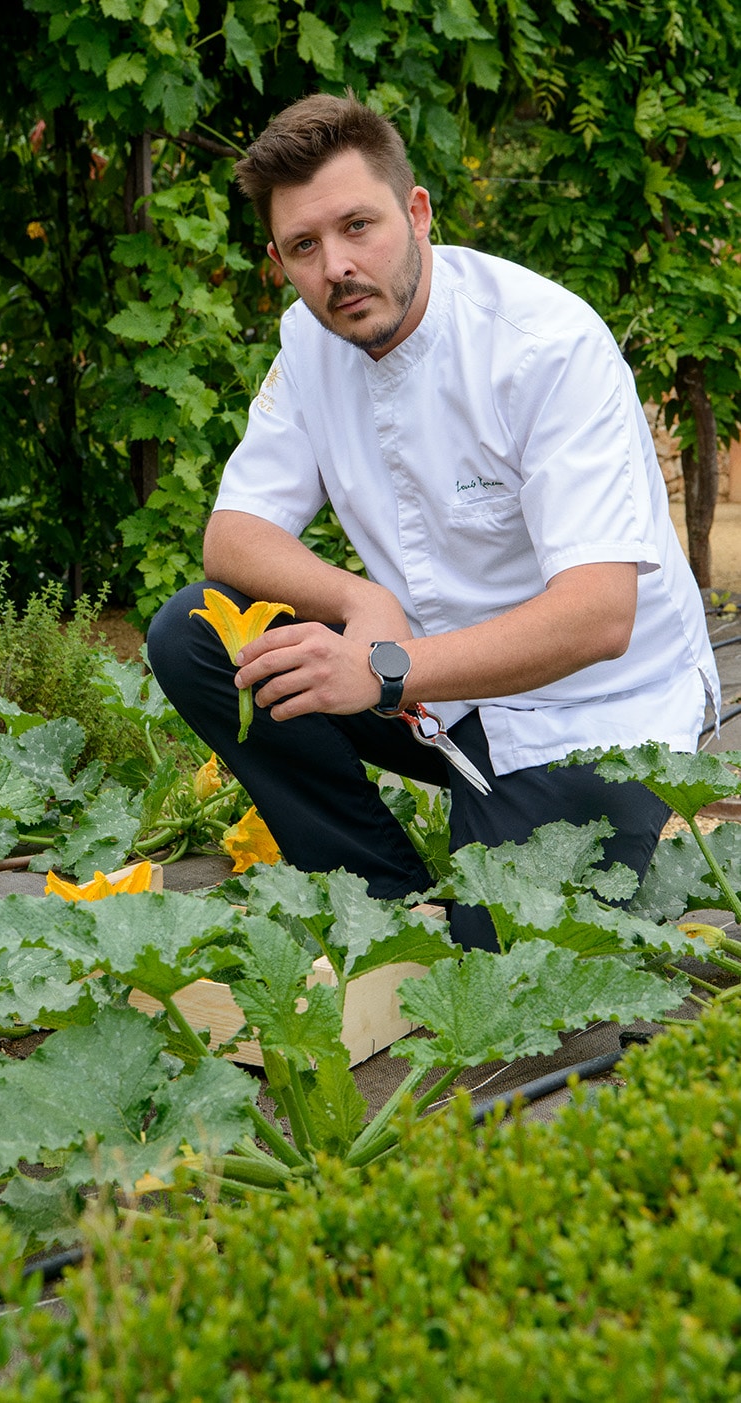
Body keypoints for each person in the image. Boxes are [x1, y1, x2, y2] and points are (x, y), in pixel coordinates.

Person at [146, 93, 719, 950]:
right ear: (279, 261)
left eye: (358, 226)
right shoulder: (310, 343)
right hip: (429, 686)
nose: (337, 267)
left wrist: (384, 670)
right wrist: (362, 601)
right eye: (305, 246)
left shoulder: (545, 344)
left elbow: (600, 616)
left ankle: (478, 885)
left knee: (499, 961)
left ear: (416, 213)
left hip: (590, 710)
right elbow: (233, 533)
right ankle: (378, 891)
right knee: (195, 632)